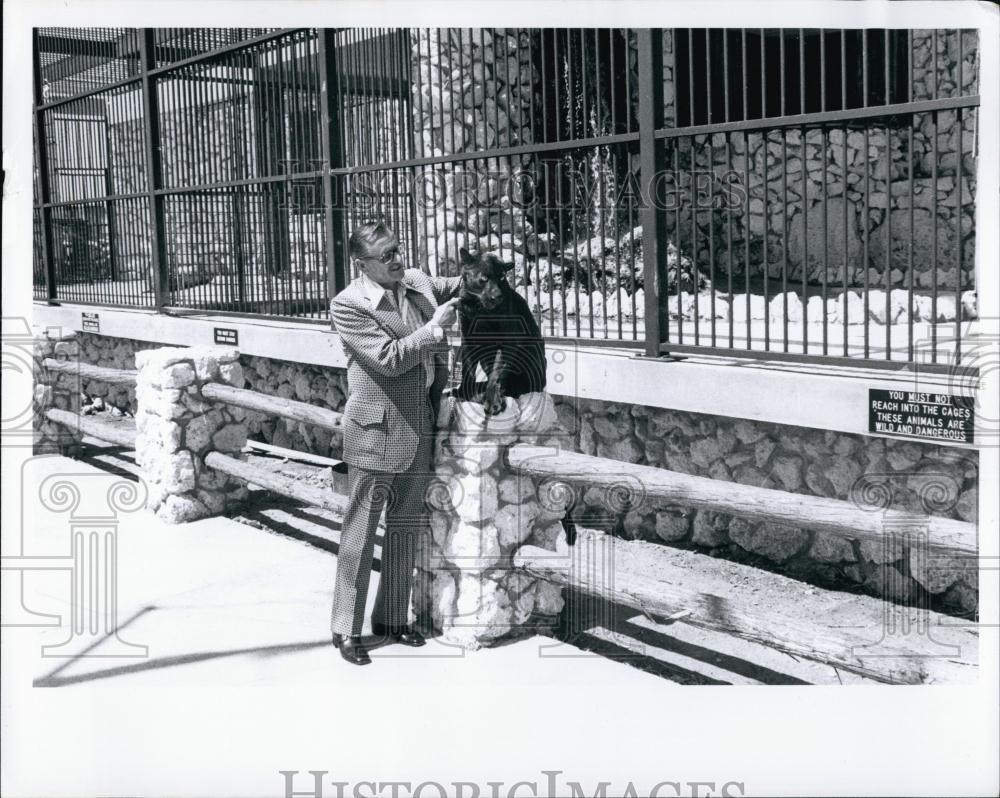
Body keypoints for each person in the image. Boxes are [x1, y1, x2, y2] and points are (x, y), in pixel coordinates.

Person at [328, 222, 462, 666]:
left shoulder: (418, 282)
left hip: (417, 429)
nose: (397, 259)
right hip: (375, 434)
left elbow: (458, 284)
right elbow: (388, 361)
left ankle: (390, 620)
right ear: (361, 264)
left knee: (404, 530)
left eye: (397, 250)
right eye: (386, 256)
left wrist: (489, 272)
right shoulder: (349, 305)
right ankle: (345, 629)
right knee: (360, 535)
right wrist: (434, 330)